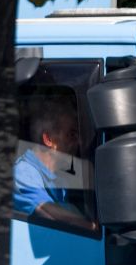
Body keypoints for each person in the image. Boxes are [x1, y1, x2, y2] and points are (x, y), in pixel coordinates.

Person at [14, 97, 97, 232]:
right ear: (48, 139)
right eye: (71, 134)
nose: (79, 142)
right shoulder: (23, 171)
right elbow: (47, 211)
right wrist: (91, 227)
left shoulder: (60, 177)